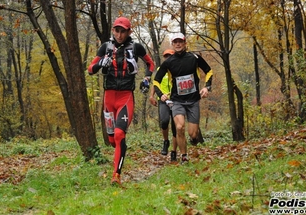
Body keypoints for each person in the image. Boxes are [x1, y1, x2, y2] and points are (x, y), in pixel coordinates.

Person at [88, 17, 155, 185]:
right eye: (117, 30)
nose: (119, 34)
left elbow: (150, 64)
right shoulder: (105, 47)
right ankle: (116, 156)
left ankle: (116, 175)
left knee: (119, 135)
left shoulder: (136, 47)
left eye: (123, 31)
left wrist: (147, 79)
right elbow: (90, 69)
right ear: (113, 30)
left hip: (125, 97)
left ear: (129, 32)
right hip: (108, 98)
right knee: (112, 140)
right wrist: (101, 63)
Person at [153, 32, 213, 164]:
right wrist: (160, 94)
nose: (178, 44)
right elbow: (156, 81)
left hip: (193, 101)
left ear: (185, 43)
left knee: (193, 134)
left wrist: (206, 87)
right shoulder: (168, 62)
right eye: (175, 42)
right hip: (177, 101)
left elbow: (209, 71)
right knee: (179, 127)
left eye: (180, 41)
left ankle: (193, 139)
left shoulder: (194, 58)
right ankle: (184, 156)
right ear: (173, 44)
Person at [149, 49, 178, 161]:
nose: (168, 58)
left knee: (176, 127)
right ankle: (166, 141)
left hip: (176, 100)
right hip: (163, 100)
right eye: (166, 56)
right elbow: (155, 83)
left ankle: (174, 152)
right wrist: (152, 96)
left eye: (170, 56)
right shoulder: (160, 70)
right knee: (164, 121)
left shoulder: (178, 69)